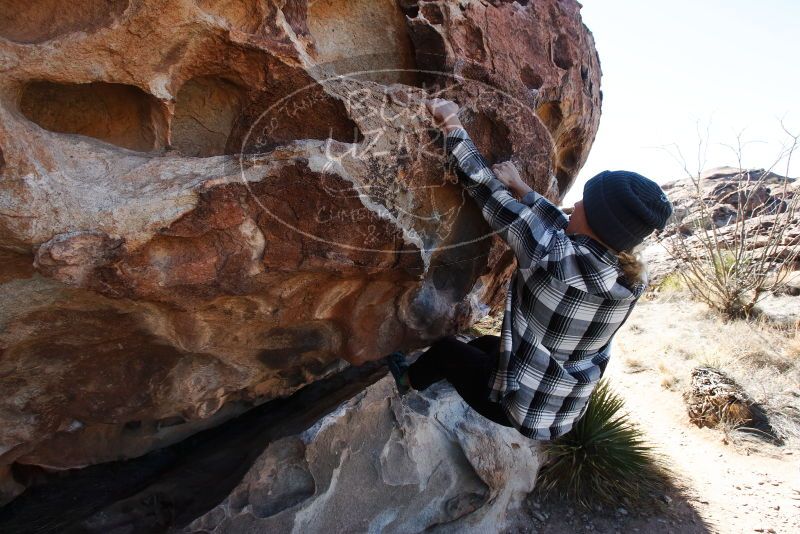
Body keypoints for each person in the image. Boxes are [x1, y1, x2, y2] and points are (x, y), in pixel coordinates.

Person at [386, 97, 673, 440]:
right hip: (559, 408)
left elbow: (485, 188)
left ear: (596, 218)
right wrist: (524, 189)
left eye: (585, 202)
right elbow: (561, 231)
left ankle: (406, 381)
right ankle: (471, 372)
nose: (576, 203)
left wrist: (451, 123)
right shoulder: (629, 278)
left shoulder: (551, 258)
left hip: (514, 409)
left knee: (448, 351)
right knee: (486, 346)